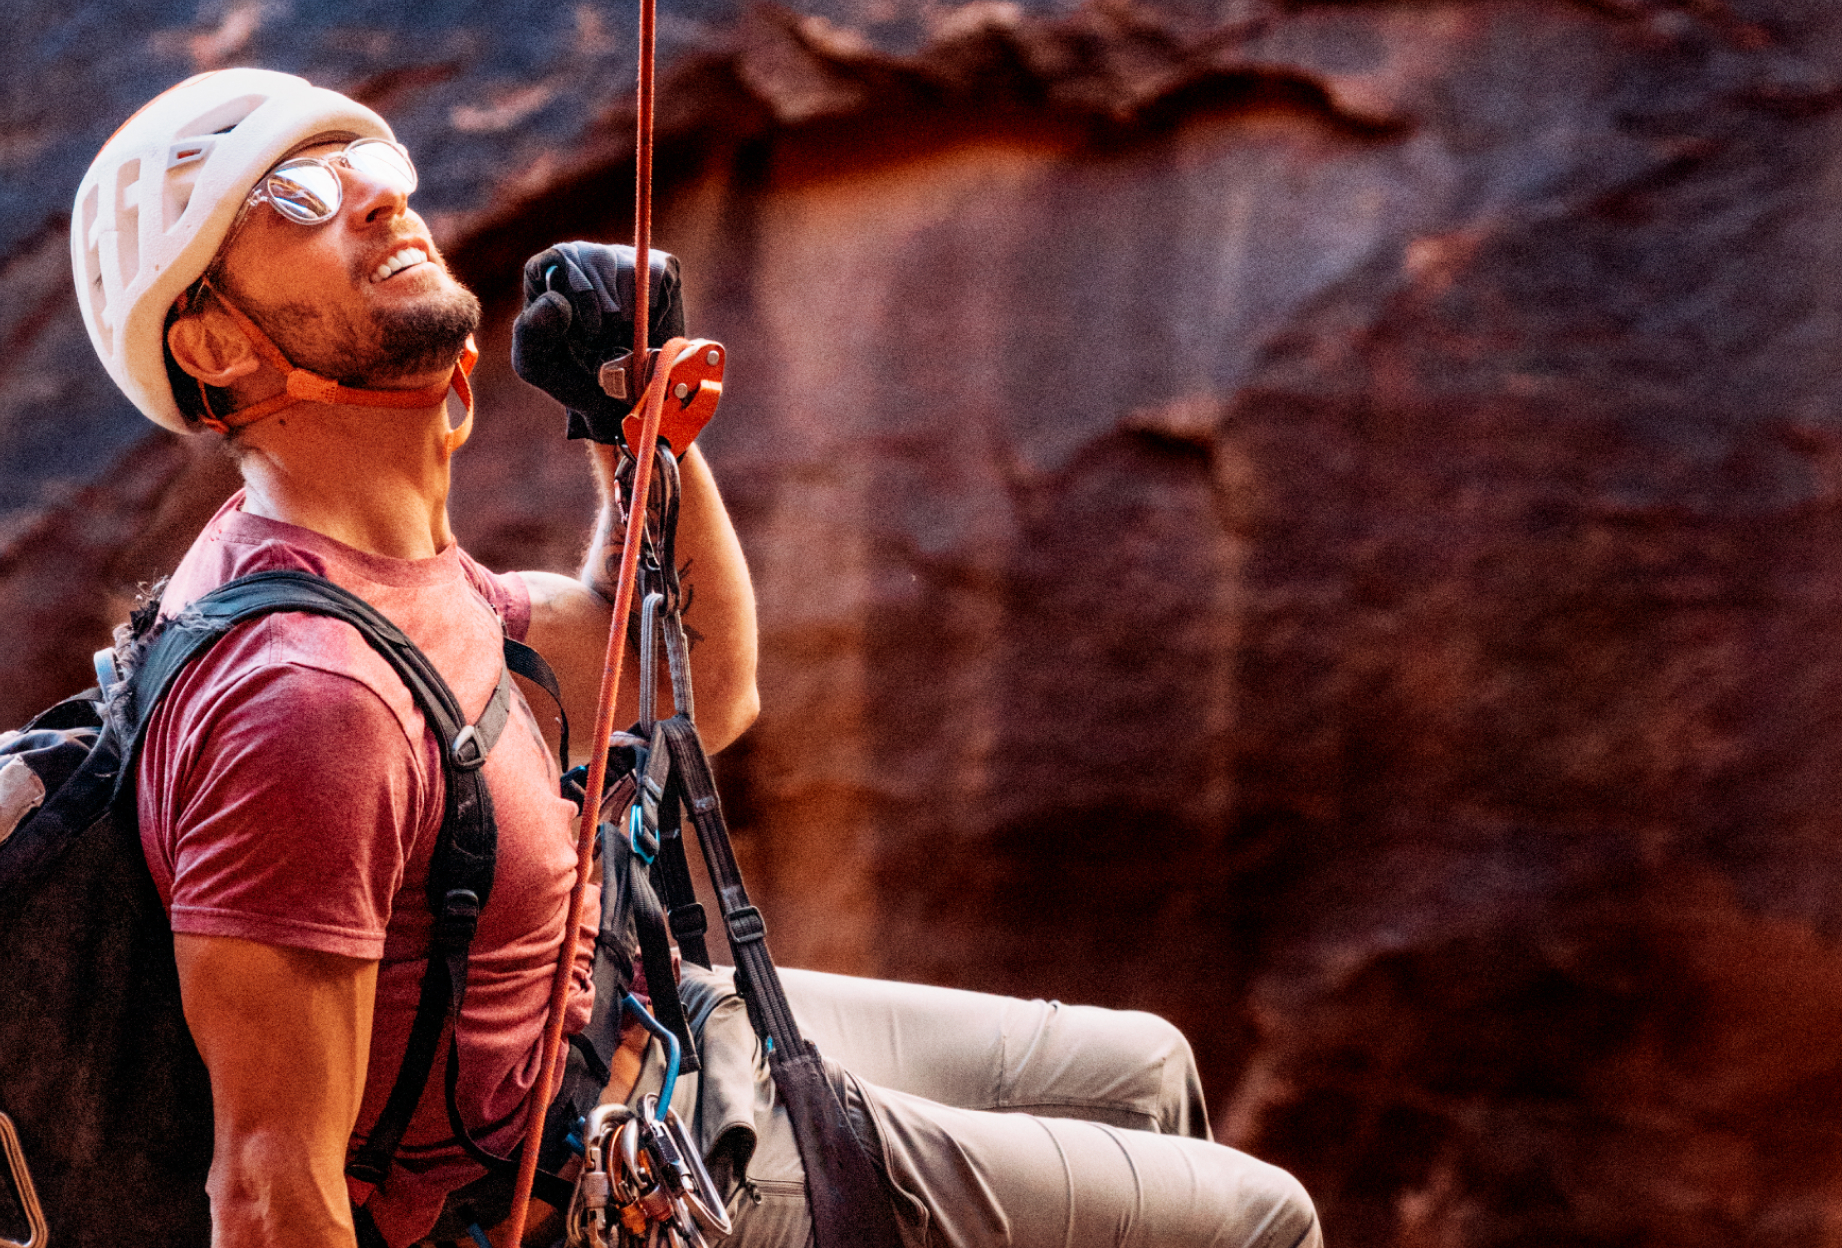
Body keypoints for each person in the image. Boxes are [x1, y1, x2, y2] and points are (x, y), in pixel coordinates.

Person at [68, 68, 1322, 1248]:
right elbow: (268, 1180)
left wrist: (634, 424)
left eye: (368, 161)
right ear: (218, 348)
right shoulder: (305, 699)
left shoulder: (386, 575)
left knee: (1146, 1073)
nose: (381, 195)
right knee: (1258, 1224)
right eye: (296, 197)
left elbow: (701, 690)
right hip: (609, 1175)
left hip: (646, 1017)